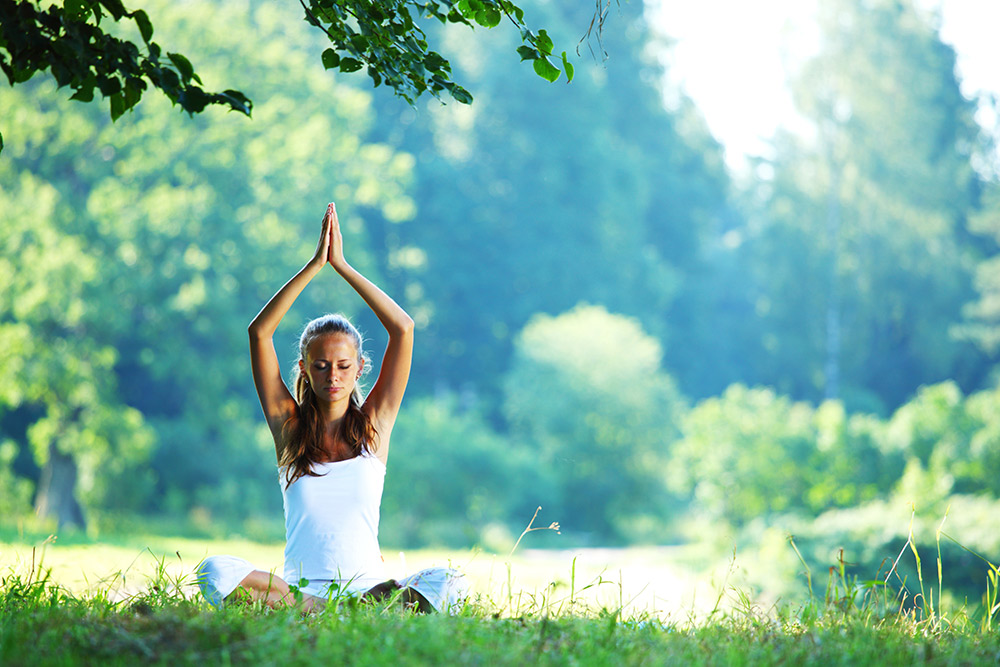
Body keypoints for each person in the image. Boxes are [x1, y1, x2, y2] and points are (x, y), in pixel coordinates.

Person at [196, 203, 466, 613]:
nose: (333, 376)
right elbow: (259, 333)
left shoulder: (375, 426)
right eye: (321, 366)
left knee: (448, 582)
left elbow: (404, 329)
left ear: (360, 368)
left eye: (343, 366)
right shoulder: (288, 427)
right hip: (299, 593)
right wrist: (313, 266)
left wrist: (342, 266)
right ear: (304, 367)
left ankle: (348, 611)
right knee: (214, 570)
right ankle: (324, 611)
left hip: (370, 591)